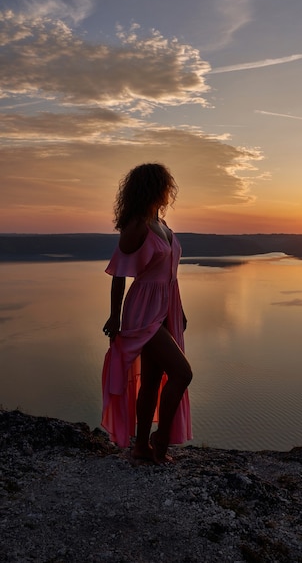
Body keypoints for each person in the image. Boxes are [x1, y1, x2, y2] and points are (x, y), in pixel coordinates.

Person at [101, 163, 192, 464]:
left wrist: (178, 310)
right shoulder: (137, 225)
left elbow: (170, 275)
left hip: (166, 307)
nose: (169, 191)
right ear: (154, 187)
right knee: (182, 372)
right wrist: (115, 317)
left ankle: (141, 448)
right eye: (165, 185)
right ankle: (160, 438)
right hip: (143, 309)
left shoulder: (161, 223)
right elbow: (119, 273)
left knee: (153, 380)